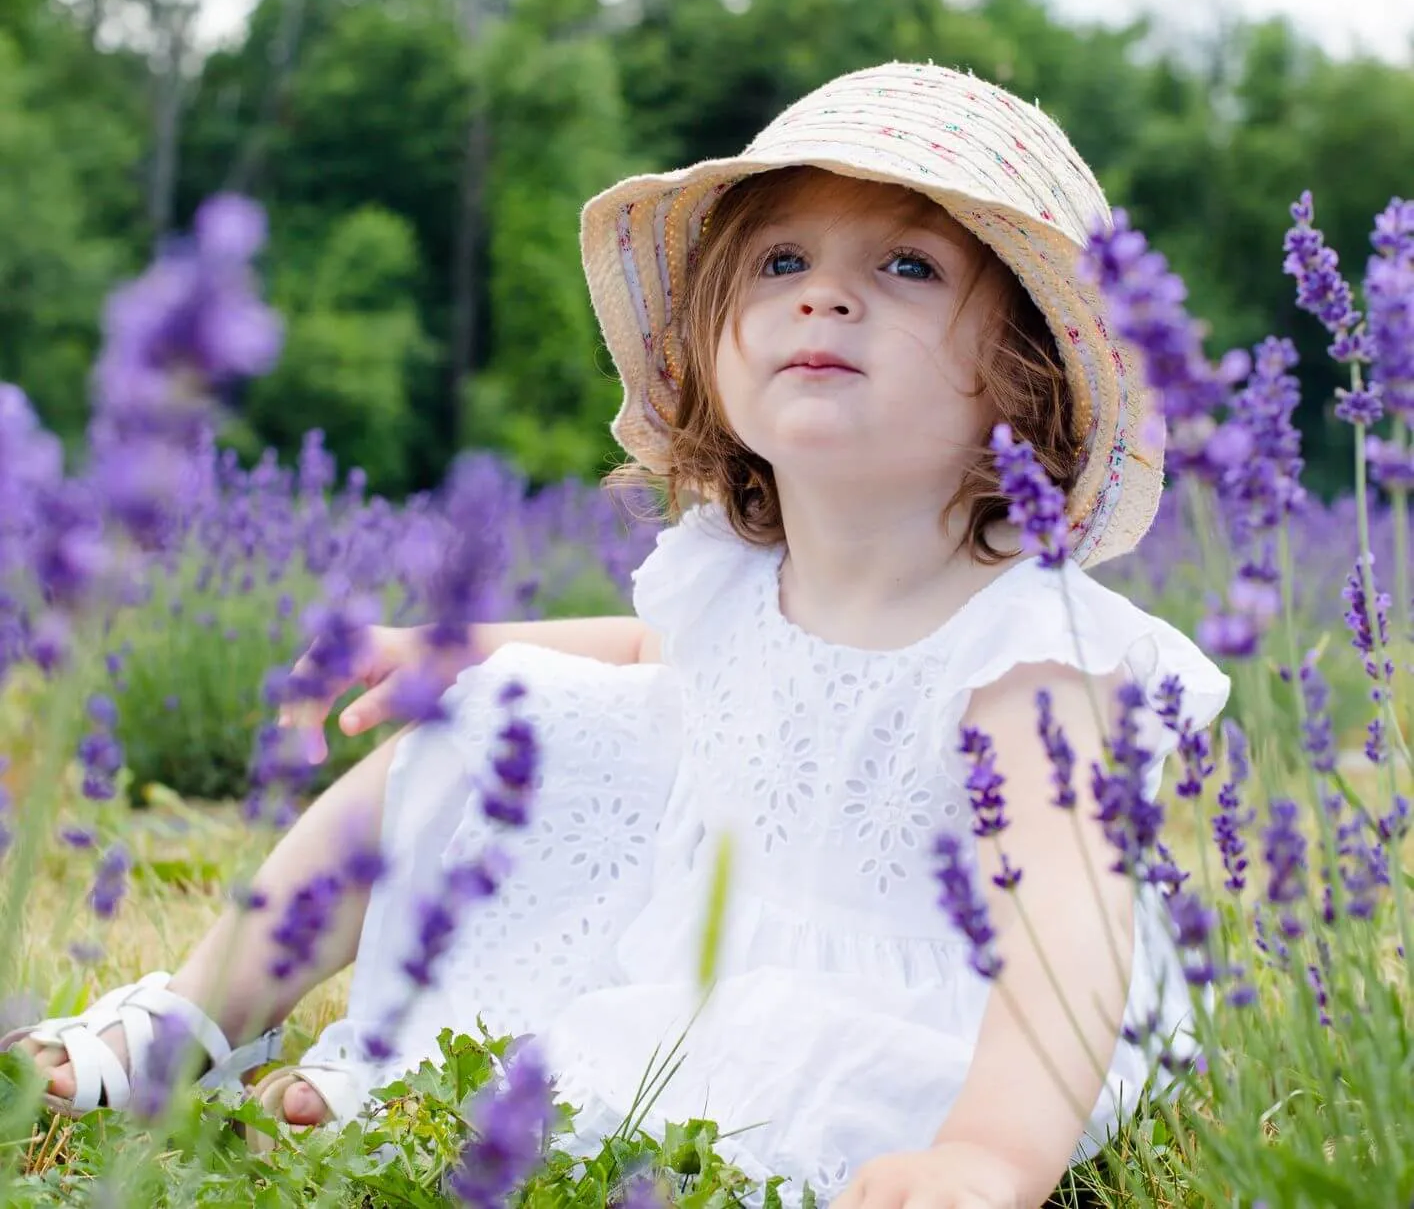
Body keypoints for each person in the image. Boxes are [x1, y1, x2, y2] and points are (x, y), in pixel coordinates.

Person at [7, 63, 1229, 1209]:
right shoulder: (732, 572)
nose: (824, 292)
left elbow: (1068, 932)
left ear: (1022, 371)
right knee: (499, 714)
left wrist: (988, 1150)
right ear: (712, 345)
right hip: (702, 911)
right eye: (781, 259)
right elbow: (668, 666)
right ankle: (200, 1012)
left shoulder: (1027, 649)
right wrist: (466, 647)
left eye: (907, 266)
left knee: (703, 1087)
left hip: (934, 1007)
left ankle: (419, 1077)